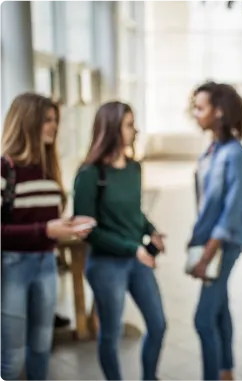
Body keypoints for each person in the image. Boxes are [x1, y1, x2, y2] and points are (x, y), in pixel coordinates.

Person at [0, 92, 94, 381]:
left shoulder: (49, 169)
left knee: (42, 350)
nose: (54, 126)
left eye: (55, 120)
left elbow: (44, 220)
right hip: (13, 267)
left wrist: (66, 225)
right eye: (47, 120)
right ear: (28, 122)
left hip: (46, 265)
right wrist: (46, 230)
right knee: (11, 361)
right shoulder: (5, 168)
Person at [73, 101, 167, 381]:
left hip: (137, 260)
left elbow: (135, 212)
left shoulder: (134, 168)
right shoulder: (89, 175)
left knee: (158, 324)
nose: (135, 130)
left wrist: (151, 230)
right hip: (105, 266)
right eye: (129, 124)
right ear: (112, 129)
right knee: (110, 334)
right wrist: (133, 248)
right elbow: (87, 229)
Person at [187, 82, 242, 381]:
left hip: (225, 243)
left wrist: (207, 255)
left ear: (220, 112)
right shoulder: (212, 148)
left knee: (202, 319)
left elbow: (232, 208)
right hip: (212, 240)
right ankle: (226, 372)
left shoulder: (234, 152)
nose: (195, 113)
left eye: (201, 107)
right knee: (220, 308)